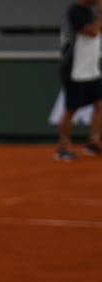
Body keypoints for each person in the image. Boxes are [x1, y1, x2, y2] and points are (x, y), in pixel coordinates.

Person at [56, 0, 102, 161]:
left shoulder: (90, 11)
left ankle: (93, 142)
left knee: (100, 105)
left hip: (91, 70)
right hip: (75, 70)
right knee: (71, 110)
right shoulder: (74, 11)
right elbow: (93, 32)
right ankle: (63, 148)